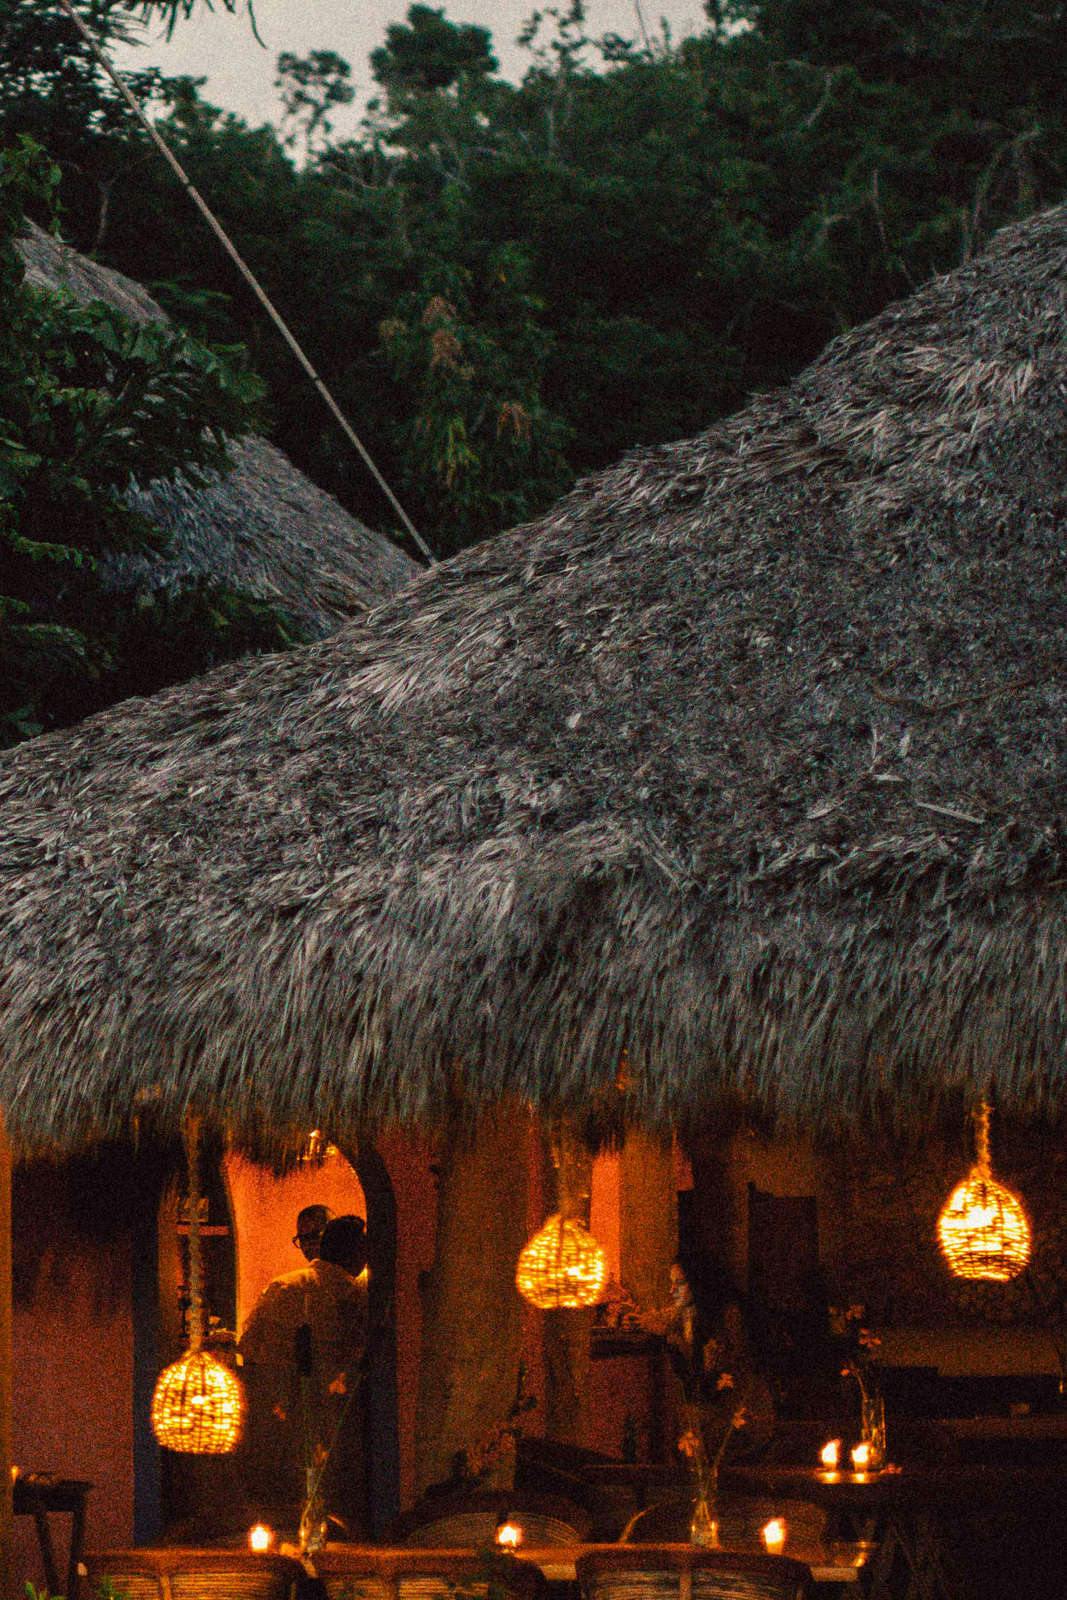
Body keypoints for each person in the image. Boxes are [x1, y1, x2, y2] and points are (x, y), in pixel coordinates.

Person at [239, 1214, 370, 1534]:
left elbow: (247, 1346)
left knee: (280, 1509)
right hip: (335, 1420)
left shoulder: (283, 1285)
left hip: (274, 1418)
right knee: (332, 1509)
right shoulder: (355, 1297)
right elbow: (362, 1358)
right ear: (356, 1253)